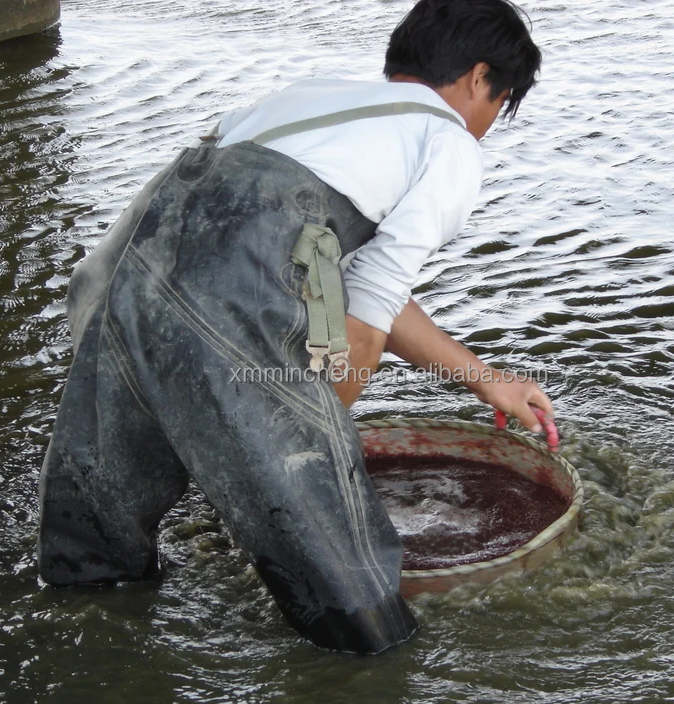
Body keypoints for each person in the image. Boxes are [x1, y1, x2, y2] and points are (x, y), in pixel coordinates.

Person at [37, 0, 548, 654]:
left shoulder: (315, 99)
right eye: (499, 110)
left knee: (94, 541)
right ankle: (371, 687)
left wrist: (489, 382)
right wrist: (317, 440)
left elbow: (354, 284)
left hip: (119, 275)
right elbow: (365, 314)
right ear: (480, 79)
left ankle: (83, 662)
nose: (484, 129)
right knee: (350, 591)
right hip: (224, 292)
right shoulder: (446, 142)